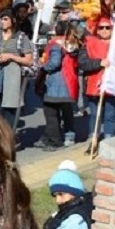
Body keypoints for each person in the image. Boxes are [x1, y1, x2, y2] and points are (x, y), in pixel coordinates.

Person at [77, 17, 115, 152]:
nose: (104, 30)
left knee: (109, 116)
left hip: (112, 86)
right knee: (95, 115)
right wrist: (99, 63)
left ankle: (108, 144)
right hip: (93, 86)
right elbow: (82, 63)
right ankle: (93, 141)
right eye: (101, 27)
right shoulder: (88, 44)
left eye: (107, 27)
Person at [37, 20, 80, 151]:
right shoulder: (72, 43)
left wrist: (44, 68)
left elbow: (54, 63)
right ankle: (68, 136)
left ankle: (54, 140)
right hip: (69, 83)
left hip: (56, 83)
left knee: (51, 113)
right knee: (67, 112)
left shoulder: (55, 44)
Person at [0, 10, 34, 129]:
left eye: (5, 19)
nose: (2, 22)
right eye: (1, 19)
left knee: (9, 109)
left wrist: (10, 56)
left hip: (12, 76)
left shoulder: (21, 37)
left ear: (13, 21)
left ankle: (8, 138)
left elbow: (29, 60)